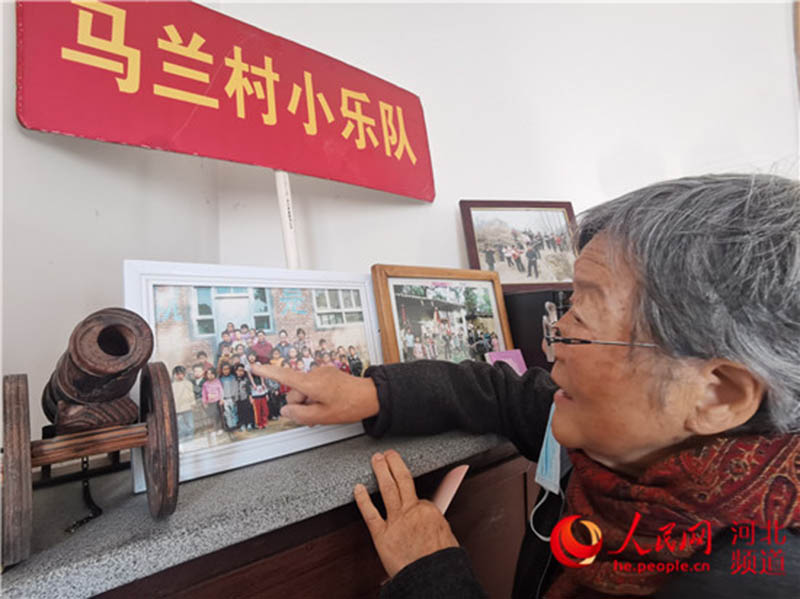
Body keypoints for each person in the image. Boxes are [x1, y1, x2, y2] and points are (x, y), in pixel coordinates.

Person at [252, 174, 800, 598]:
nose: (557, 329)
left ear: (718, 395)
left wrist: (431, 574)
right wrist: (367, 393)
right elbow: (501, 393)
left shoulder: (747, 579)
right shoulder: (618, 443)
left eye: (587, 315)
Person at [171, 366, 195, 442]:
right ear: (174, 375)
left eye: (181, 374)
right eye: (177, 374)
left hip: (187, 407)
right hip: (178, 408)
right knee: (180, 425)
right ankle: (182, 439)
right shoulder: (172, 386)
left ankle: (191, 438)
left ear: (184, 374)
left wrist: (193, 403)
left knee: (190, 424)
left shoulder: (188, 383)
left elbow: (191, 394)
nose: (179, 376)